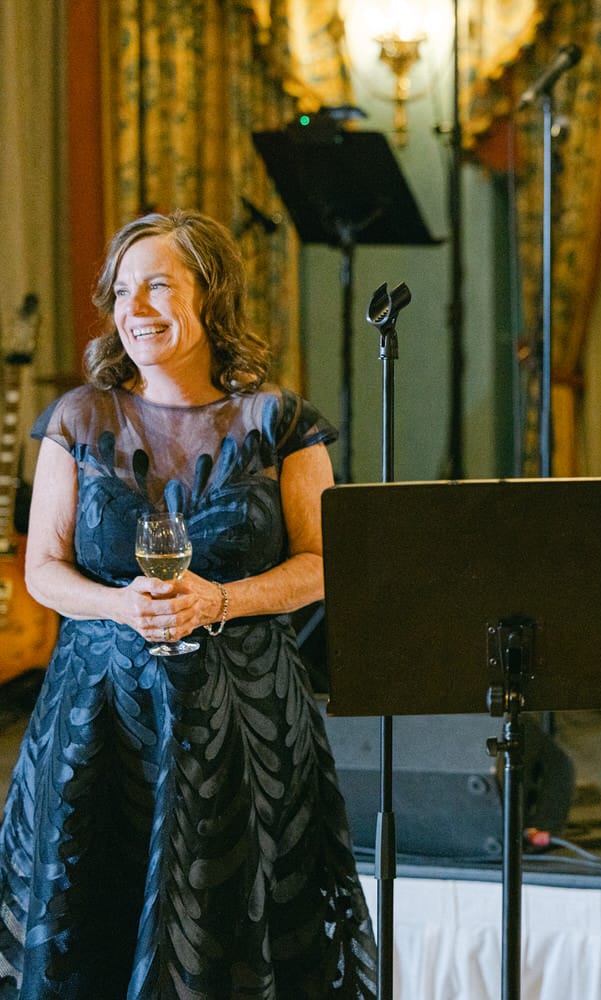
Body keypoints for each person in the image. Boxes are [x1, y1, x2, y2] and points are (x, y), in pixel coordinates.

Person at [0, 210, 376, 998]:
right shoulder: (77, 418)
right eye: (123, 292)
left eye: (160, 287)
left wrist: (223, 599)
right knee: (93, 935)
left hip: (248, 732)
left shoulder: (281, 422)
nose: (136, 309)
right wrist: (116, 606)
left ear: (212, 296)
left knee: (239, 934)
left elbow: (327, 563)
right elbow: (42, 570)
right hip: (99, 725)